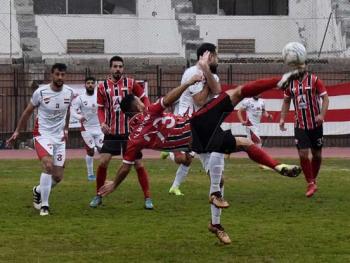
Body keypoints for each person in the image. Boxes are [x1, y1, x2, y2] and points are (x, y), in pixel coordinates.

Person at [98, 65, 302, 244]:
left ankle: (219, 222)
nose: (143, 102)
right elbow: (169, 99)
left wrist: (114, 185)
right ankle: (280, 81)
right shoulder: (149, 112)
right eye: (139, 102)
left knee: (241, 148)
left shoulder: (134, 138)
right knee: (238, 93)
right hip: (196, 126)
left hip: (196, 142)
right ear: (136, 106)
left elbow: (125, 166)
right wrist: (188, 83)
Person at [6, 63, 73, 216]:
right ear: (52, 74)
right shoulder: (41, 92)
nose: (60, 77)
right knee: (48, 166)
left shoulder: (69, 92)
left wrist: (67, 128)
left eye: (63, 75)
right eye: (57, 74)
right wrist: (17, 131)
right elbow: (27, 112)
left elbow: (68, 111)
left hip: (59, 138)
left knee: (57, 177)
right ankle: (45, 205)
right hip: (42, 135)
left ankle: (38, 190)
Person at [89, 56, 154, 209]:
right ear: (110, 68)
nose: (118, 69)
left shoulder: (131, 83)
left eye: (120, 66)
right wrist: (102, 122)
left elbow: (145, 99)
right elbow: (99, 107)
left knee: (138, 163)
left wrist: (145, 114)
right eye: (115, 66)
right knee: (103, 161)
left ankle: (148, 198)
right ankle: (99, 195)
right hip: (111, 132)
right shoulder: (102, 86)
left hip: (130, 132)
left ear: (123, 68)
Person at [167, 43, 222, 198]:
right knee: (182, 159)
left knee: (216, 175)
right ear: (207, 56)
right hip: (185, 123)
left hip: (200, 127)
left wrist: (207, 75)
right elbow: (199, 100)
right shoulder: (192, 72)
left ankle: (175, 187)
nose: (218, 59)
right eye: (215, 55)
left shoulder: (213, 75)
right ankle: (170, 149)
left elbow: (217, 91)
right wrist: (207, 85)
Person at [279, 48, 329, 198]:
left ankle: (313, 179)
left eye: (301, 66)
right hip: (300, 124)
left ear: (305, 66)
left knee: (317, 155)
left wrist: (321, 115)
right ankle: (310, 183)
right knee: (302, 153)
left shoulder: (314, 80)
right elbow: (286, 101)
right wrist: (282, 118)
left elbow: (325, 98)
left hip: (316, 125)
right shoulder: (290, 84)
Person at [71, 76, 104, 181]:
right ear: (85, 85)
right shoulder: (80, 98)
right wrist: (79, 117)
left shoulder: (99, 96)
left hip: (99, 128)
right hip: (87, 128)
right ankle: (90, 175)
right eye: (88, 83)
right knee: (91, 151)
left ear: (95, 85)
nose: (90, 84)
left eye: (92, 83)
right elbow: (72, 111)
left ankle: (101, 175)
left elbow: (105, 109)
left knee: (102, 151)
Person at [237, 95, 273, 170]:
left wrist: (268, 116)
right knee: (258, 142)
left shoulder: (262, 102)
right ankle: (261, 163)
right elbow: (239, 111)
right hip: (250, 125)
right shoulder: (248, 102)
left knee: (247, 144)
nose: (258, 94)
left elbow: (263, 111)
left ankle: (228, 149)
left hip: (257, 127)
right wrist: (242, 121)